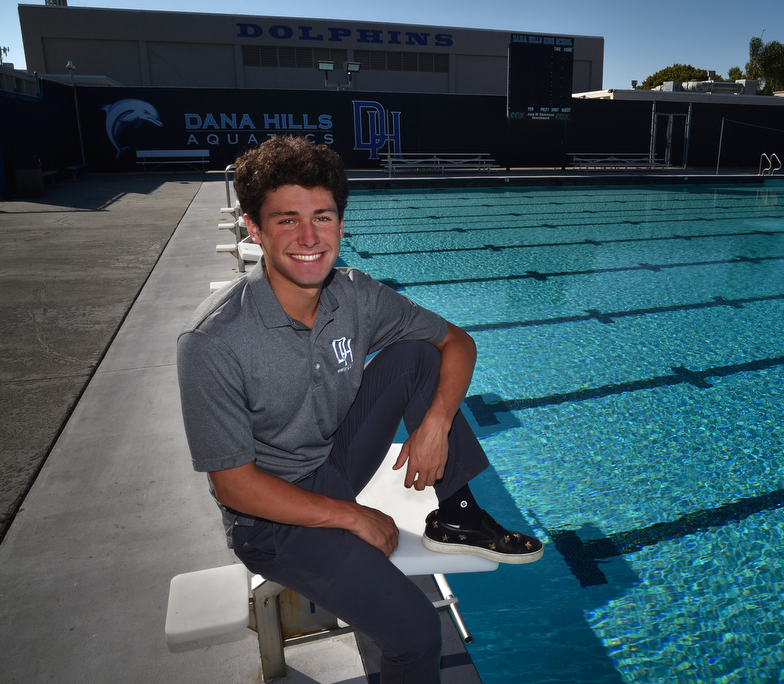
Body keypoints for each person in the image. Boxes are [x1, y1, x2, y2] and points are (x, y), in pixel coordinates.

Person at [176, 135, 541, 684]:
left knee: (418, 353)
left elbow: (458, 343)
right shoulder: (214, 341)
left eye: (322, 217)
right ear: (254, 228)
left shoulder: (356, 294)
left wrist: (436, 423)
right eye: (286, 220)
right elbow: (234, 486)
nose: (308, 237)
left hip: (334, 463)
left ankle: (457, 514)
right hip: (271, 520)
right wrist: (351, 515)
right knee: (415, 633)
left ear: (341, 225)